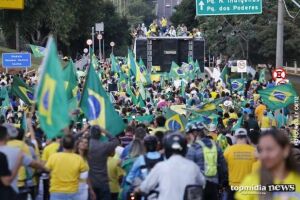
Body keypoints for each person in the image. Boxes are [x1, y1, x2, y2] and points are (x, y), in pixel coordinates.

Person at [136, 132, 206, 200]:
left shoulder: (160, 166)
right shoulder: (193, 167)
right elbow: (203, 183)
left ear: (166, 149)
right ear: (184, 149)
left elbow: (145, 187)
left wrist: (136, 190)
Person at [235, 129, 300, 200]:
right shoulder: (251, 182)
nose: (264, 155)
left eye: (269, 149)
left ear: (285, 150)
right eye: (261, 150)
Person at [186, 125, 228, 200]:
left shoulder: (193, 147)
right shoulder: (215, 145)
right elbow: (223, 167)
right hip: (213, 184)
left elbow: (188, 169)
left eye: (190, 134)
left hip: (197, 186)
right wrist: (221, 182)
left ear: (195, 134)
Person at [45, 134, 88, 200]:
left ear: (62, 144)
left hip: (56, 191)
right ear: (74, 145)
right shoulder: (78, 159)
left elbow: (47, 169)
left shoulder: (53, 157)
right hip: (72, 192)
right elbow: (84, 174)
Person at [87, 126, 119, 200]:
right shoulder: (104, 146)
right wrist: (105, 131)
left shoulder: (86, 145)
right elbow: (116, 141)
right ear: (100, 134)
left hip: (90, 183)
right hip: (103, 182)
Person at [223, 128, 256, 200]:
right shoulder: (253, 151)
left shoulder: (228, 151)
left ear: (235, 137)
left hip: (233, 186)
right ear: (247, 137)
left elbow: (224, 168)